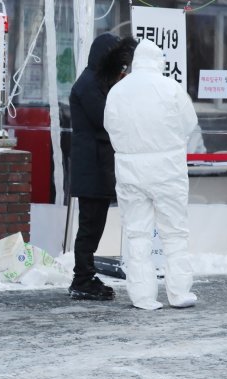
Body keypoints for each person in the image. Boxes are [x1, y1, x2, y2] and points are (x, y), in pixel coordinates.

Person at [104, 39, 198, 310]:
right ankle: (179, 293)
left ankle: (142, 296)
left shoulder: (118, 91)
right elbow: (189, 123)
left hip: (130, 171)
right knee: (175, 233)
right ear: (159, 61)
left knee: (136, 234)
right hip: (168, 171)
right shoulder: (171, 88)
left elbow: (110, 125)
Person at [68, 33, 136, 301]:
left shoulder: (96, 82)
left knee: (94, 225)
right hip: (91, 167)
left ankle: (85, 275)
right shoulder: (87, 85)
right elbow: (106, 120)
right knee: (89, 226)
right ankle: (82, 279)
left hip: (97, 166)